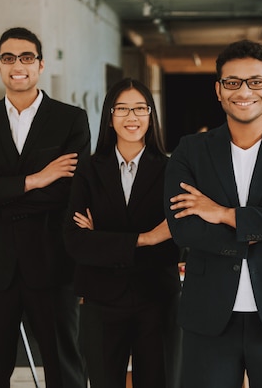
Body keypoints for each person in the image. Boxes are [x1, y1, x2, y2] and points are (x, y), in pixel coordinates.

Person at [163, 39, 262, 388]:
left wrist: (222, 214)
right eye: (232, 82)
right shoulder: (190, 150)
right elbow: (185, 230)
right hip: (208, 318)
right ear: (218, 90)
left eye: (255, 81)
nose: (244, 91)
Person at [0, 27, 90, 388]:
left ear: (40, 65)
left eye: (26, 57)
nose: (18, 65)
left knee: (65, 370)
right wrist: (36, 179)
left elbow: (70, 193)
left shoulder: (70, 119)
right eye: (8, 58)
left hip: (51, 263)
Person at [63, 78, 181, 387]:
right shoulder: (88, 170)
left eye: (141, 108)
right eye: (123, 109)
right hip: (101, 302)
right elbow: (76, 243)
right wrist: (146, 238)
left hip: (157, 298)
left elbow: (176, 243)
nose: (132, 117)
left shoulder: (172, 170)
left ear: (151, 115)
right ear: (110, 116)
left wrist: (103, 238)